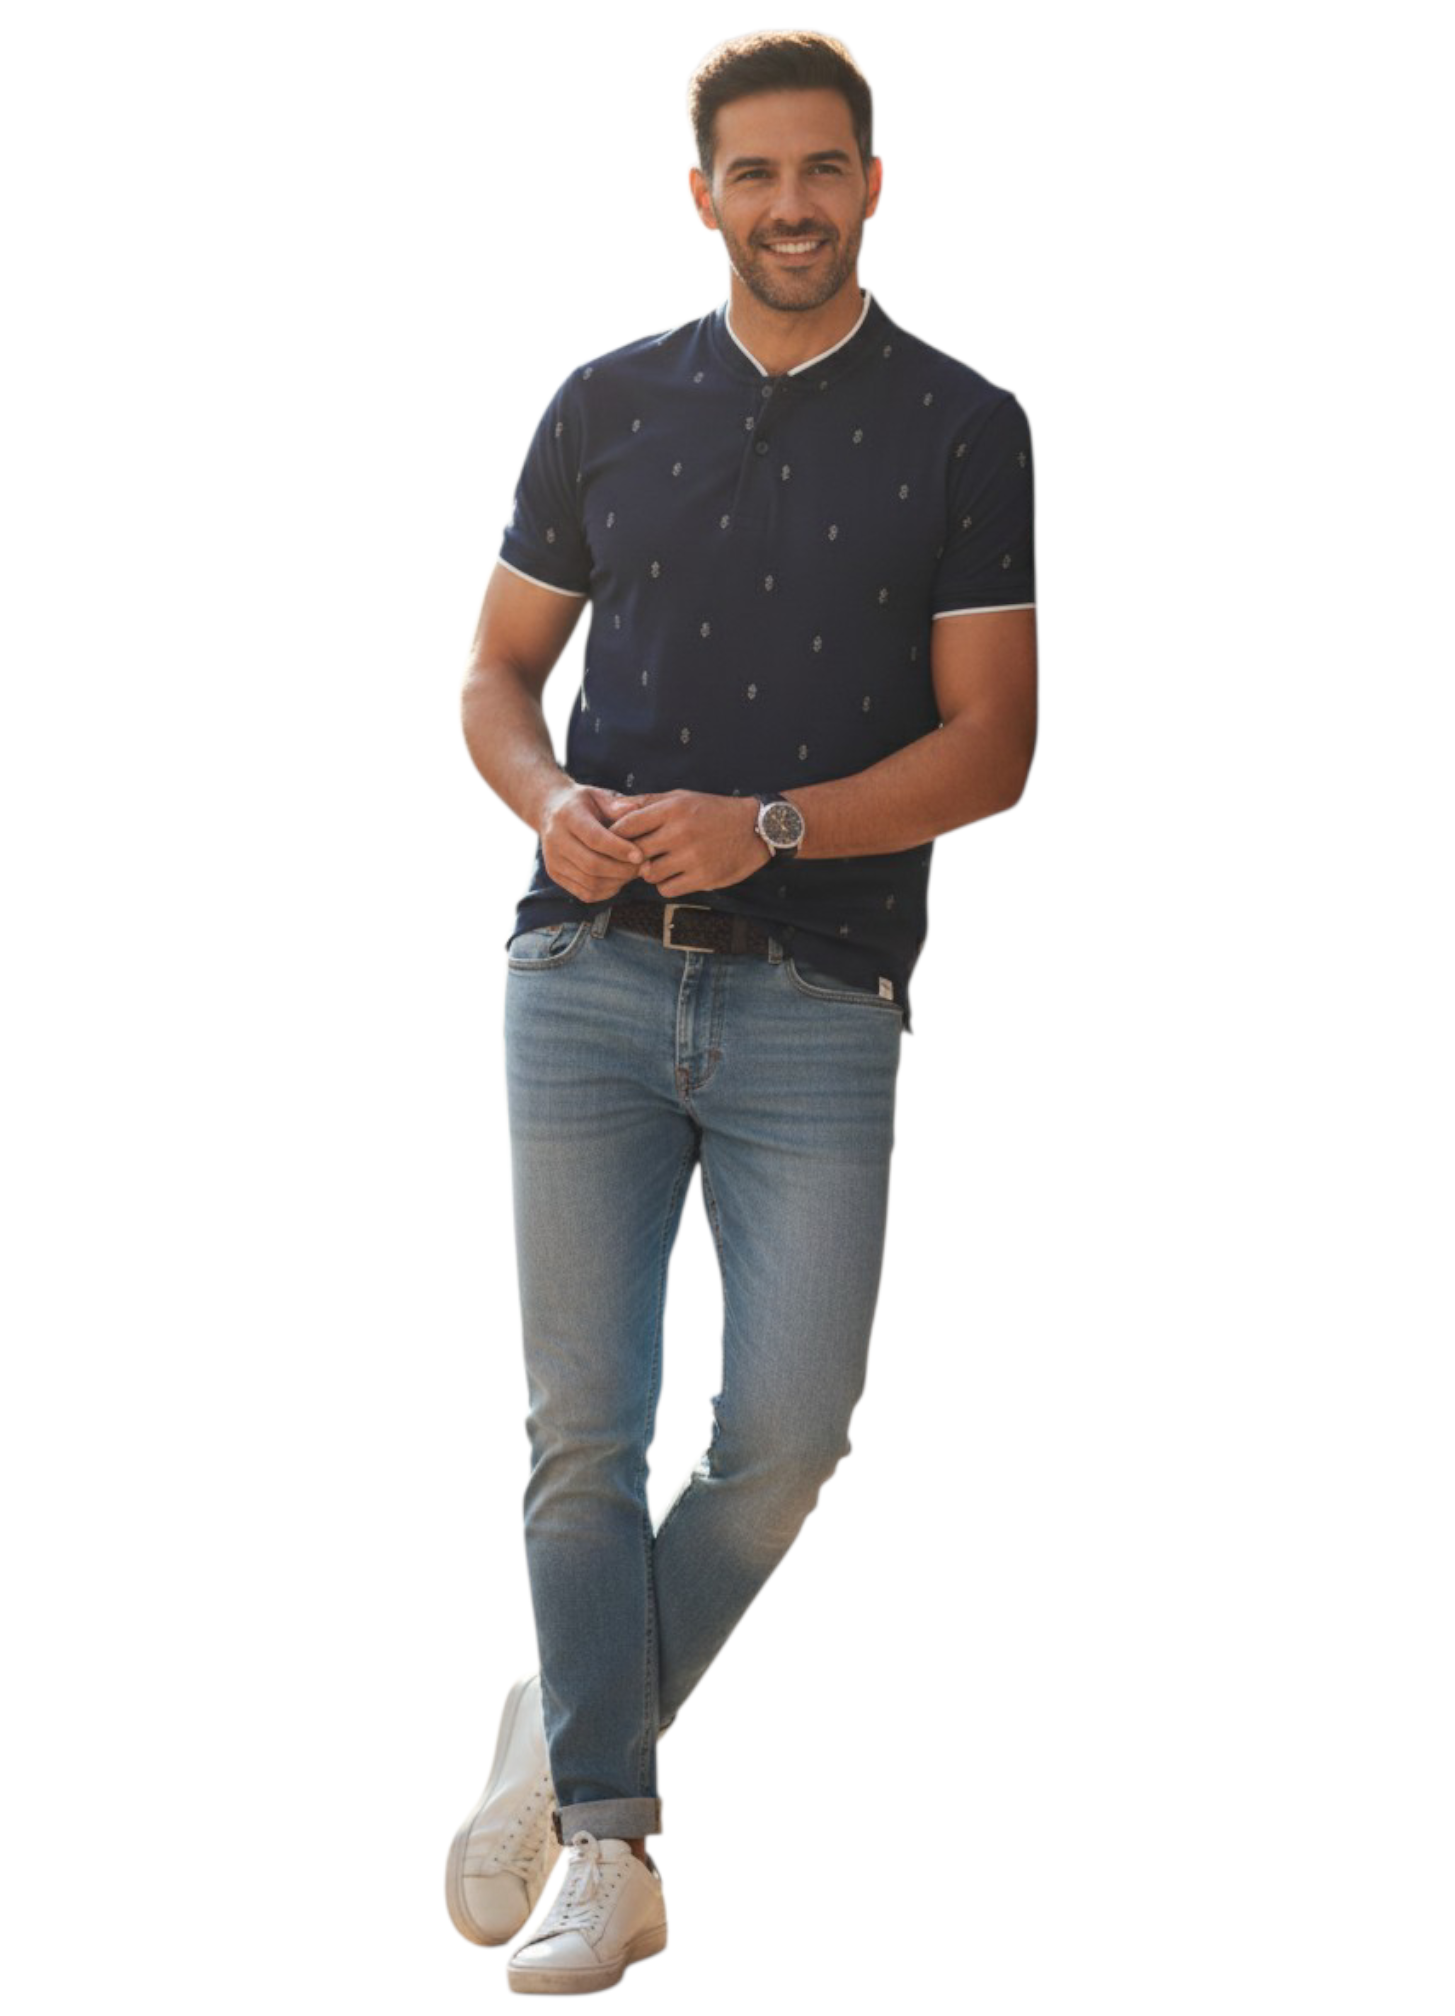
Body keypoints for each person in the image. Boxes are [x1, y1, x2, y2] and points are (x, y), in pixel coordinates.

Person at [446, 28, 1037, 1994]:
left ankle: (570, 1721)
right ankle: (610, 1844)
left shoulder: (966, 428)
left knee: (786, 1436)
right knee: (579, 1437)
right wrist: (549, 803)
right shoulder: (604, 405)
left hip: (822, 999)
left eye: (823, 167)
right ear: (701, 194)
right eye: (755, 173)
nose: (791, 204)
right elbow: (496, 678)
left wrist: (768, 825)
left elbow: (994, 745)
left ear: (872, 183)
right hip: (582, 979)